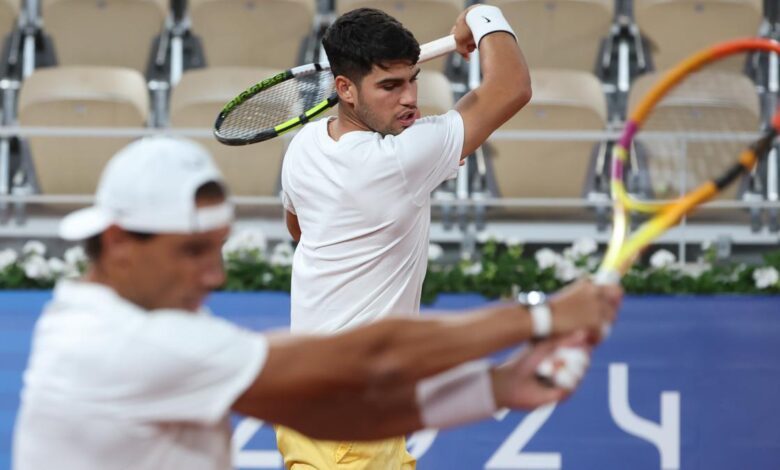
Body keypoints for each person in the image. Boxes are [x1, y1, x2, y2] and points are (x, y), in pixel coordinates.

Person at [12, 137, 621, 470]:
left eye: (218, 249)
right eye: (193, 251)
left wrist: (495, 388)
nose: (215, 275)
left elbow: (334, 415)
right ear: (119, 243)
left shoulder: (119, 323)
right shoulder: (122, 344)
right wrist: (542, 316)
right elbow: (368, 361)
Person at [278, 5, 617, 469]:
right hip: (350, 425)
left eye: (413, 79)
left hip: (326, 412)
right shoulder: (398, 160)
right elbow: (512, 86)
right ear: (344, 89)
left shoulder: (305, 147)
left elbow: (299, 228)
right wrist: (482, 15)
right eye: (390, 86)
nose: (409, 99)